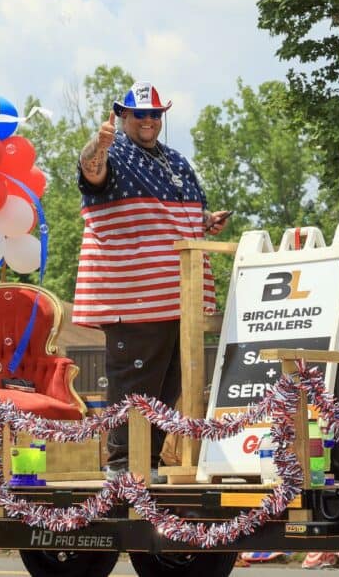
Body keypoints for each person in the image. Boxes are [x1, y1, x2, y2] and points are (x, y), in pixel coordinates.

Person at [74, 82, 229, 485]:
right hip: (134, 294)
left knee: (167, 384)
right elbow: (92, 174)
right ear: (122, 115)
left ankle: (152, 462)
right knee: (134, 380)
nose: (148, 121)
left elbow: (170, 218)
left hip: (180, 294)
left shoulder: (175, 161)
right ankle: (124, 464)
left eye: (155, 114)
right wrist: (97, 145)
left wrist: (205, 222)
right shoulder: (114, 155)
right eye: (139, 113)